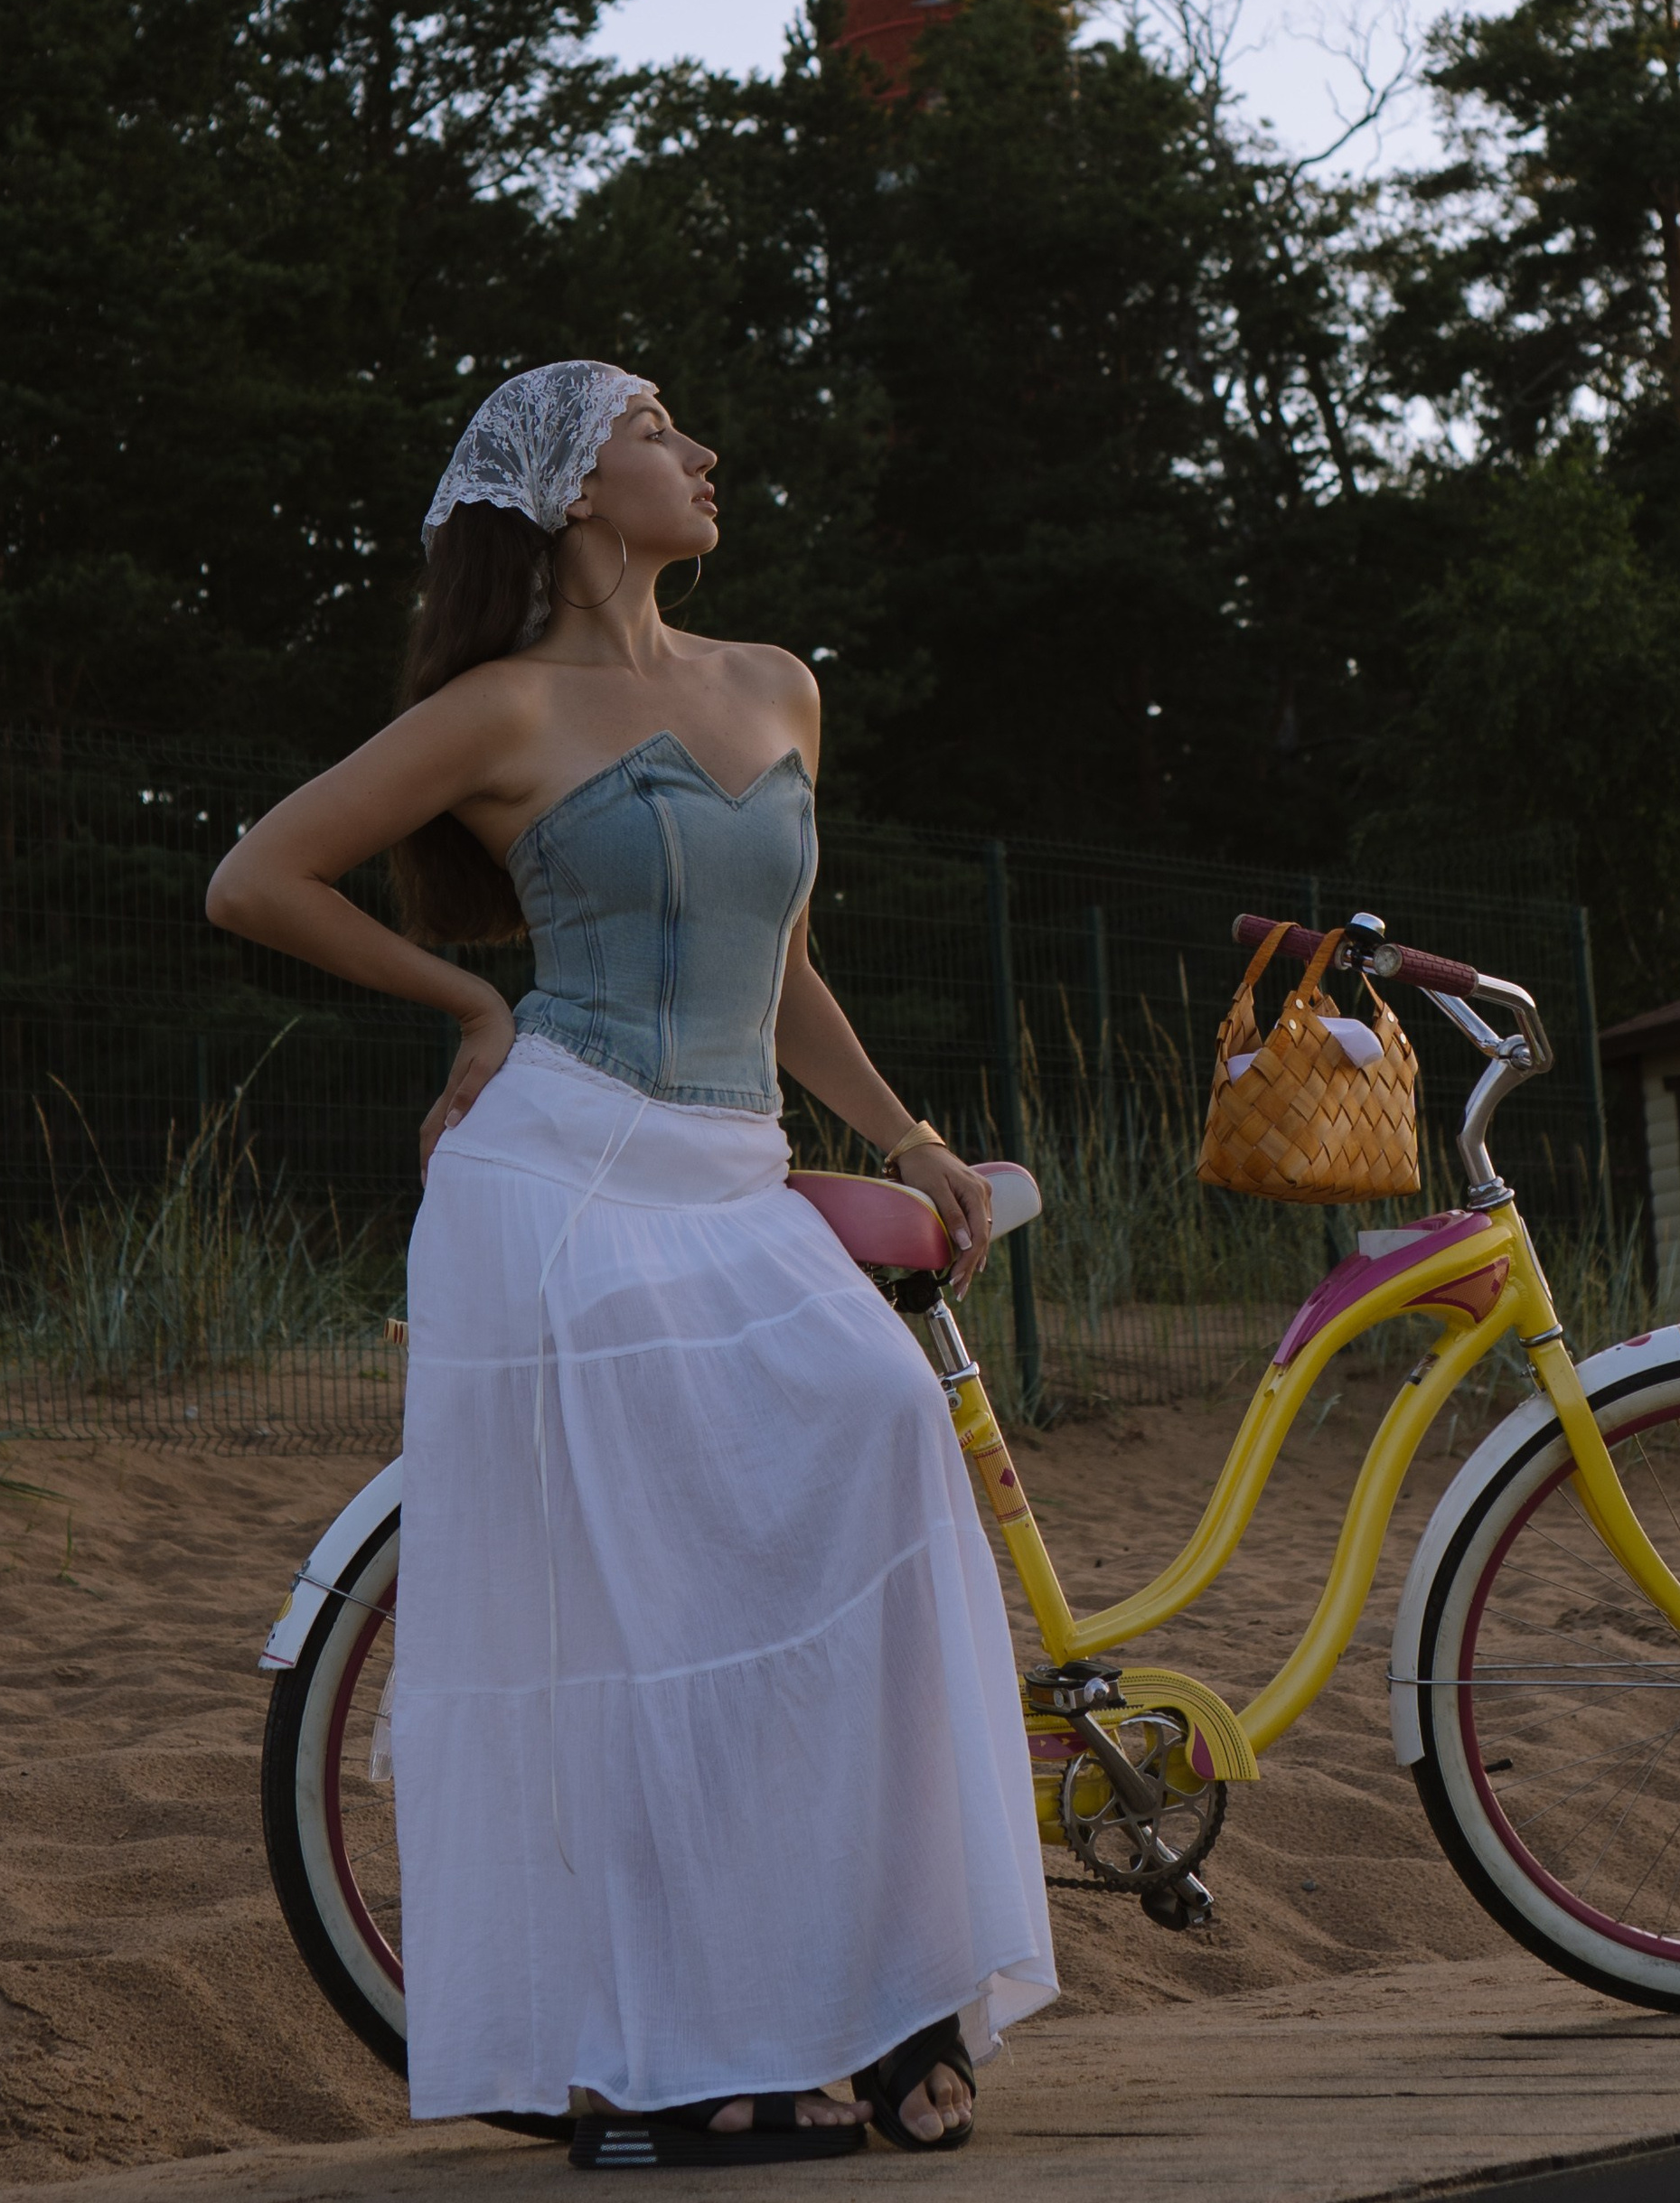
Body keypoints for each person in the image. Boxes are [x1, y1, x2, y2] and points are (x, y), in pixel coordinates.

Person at [207, 361, 1056, 2165]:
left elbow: (785, 969)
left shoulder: (777, 686)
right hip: (560, 1186)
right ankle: (658, 2068)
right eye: (660, 428)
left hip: (731, 1172)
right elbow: (258, 877)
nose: (702, 453)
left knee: (880, 1439)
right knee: (656, 1599)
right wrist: (465, 1005)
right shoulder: (501, 707)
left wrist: (906, 1139)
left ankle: (879, 1983)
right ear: (576, 486)